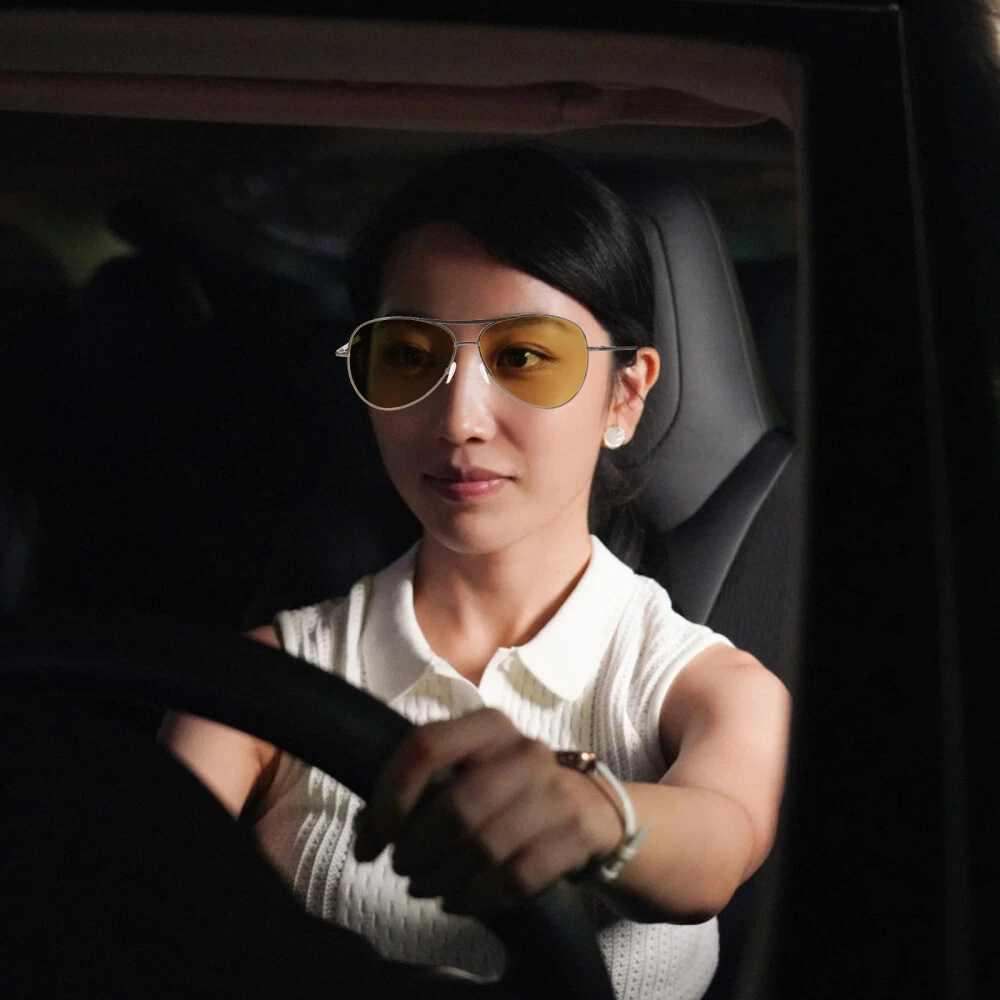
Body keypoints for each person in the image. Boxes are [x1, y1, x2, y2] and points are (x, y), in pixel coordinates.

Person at [159, 145, 791, 999]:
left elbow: (719, 843)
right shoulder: (259, 683)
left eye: (525, 357)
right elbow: (135, 903)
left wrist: (599, 815)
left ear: (625, 396)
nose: (458, 419)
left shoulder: (715, 689)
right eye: (410, 357)